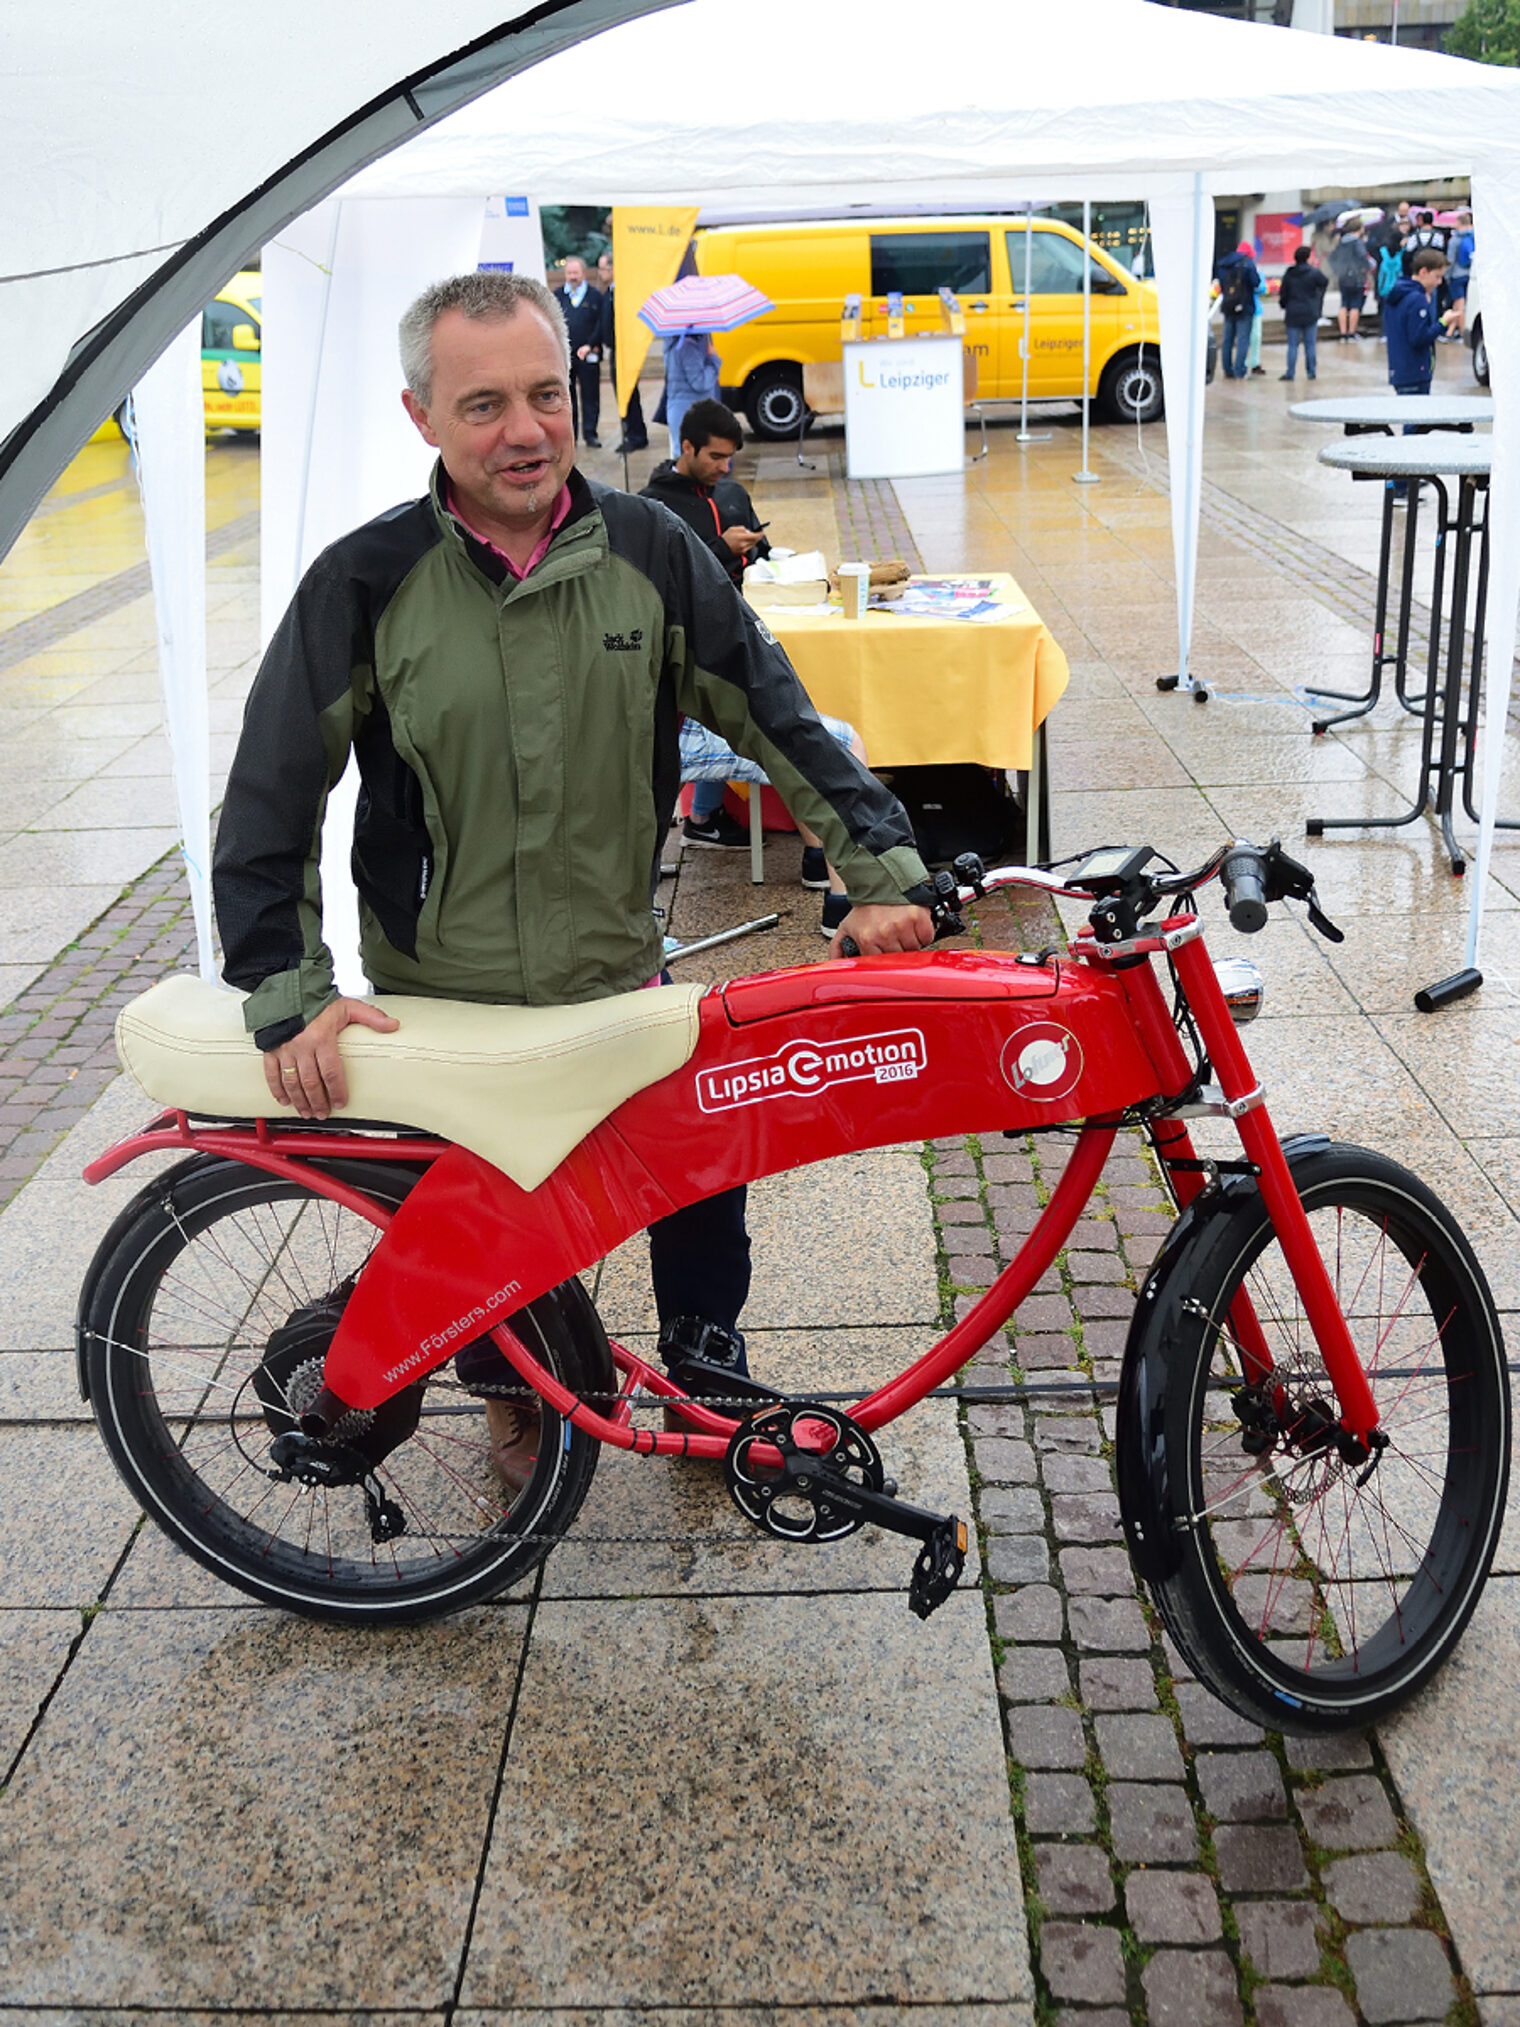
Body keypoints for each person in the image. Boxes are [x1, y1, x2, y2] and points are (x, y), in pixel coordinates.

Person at [210, 270, 934, 1484]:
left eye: (546, 393)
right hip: (445, 986)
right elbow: (271, 789)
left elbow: (773, 713)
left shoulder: (651, 546)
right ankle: (505, 1389)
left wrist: (877, 867)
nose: (526, 429)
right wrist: (288, 989)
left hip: (612, 962)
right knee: (487, 1210)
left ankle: (706, 1360)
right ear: (421, 417)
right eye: (482, 403)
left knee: (701, 1153)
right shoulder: (366, 579)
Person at [641, 398, 771, 589]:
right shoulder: (652, 506)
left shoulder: (734, 493)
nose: (724, 467)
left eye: (729, 457)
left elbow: (764, 555)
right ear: (687, 448)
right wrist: (721, 549)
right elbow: (659, 581)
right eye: (716, 457)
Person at [596, 251, 648, 451]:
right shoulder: (609, 293)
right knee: (622, 394)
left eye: (603, 268)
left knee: (627, 394)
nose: (601, 273)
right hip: (615, 350)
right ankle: (633, 432)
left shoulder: (622, 294)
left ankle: (635, 435)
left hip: (625, 350)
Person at [553, 254, 604, 447]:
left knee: (591, 396)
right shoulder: (557, 296)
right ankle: (570, 436)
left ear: (583, 273)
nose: (572, 276)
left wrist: (590, 345)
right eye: (569, 273)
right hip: (565, 356)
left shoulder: (595, 296)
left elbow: (600, 323)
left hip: (589, 354)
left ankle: (591, 434)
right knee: (567, 396)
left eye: (575, 272)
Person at [662, 328, 721, 452]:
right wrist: (713, 360)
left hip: (680, 408)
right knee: (693, 459)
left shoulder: (674, 342)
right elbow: (700, 382)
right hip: (692, 411)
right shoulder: (688, 346)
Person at [1277, 246, 1328, 382]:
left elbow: (1283, 293)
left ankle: (1290, 372)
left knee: (1292, 345)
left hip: (1293, 312)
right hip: (1310, 312)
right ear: (1307, 258)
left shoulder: (1289, 273)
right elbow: (1324, 282)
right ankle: (1311, 372)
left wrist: (1284, 304)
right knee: (1310, 344)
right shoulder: (1314, 273)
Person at [1215, 241, 1261, 380]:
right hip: (1245, 306)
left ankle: (1227, 369)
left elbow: (1221, 283)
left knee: (1227, 339)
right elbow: (1256, 282)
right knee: (1242, 339)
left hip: (1228, 305)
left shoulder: (1224, 263)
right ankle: (1239, 370)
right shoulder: (1248, 263)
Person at [1329, 224, 1374, 342]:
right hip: (1356, 277)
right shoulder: (1357, 243)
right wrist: (1366, 267)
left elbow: (1332, 258)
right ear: (1358, 229)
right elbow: (1363, 257)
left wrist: (1337, 271)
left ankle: (1343, 334)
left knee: (1343, 304)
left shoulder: (1341, 243)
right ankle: (1351, 333)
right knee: (1355, 305)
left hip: (1343, 277)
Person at [1446, 212, 1475, 341]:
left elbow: (1450, 261)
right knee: (1460, 305)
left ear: (1459, 223)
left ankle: (1463, 334)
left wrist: (1446, 276)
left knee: (1459, 305)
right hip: (1469, 274)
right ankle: (1451, 332)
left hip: (1456, 276)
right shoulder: (1474, 237)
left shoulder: (1455, 240)